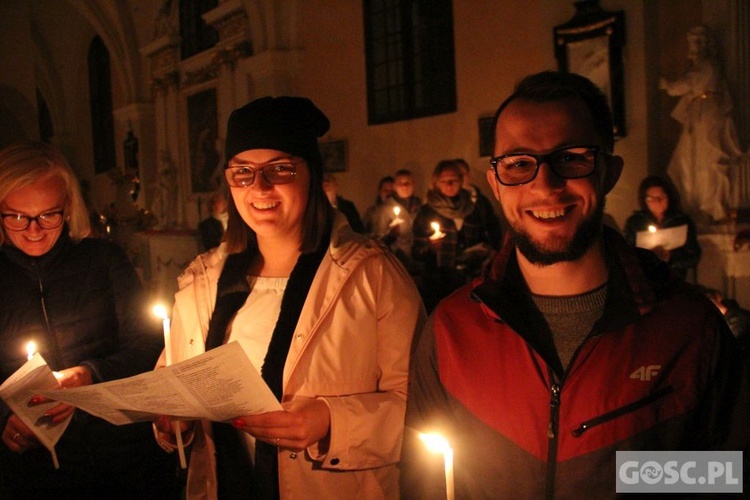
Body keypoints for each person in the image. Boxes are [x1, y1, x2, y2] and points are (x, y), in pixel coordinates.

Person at [401, 71, 748, 498]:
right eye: (518, 164)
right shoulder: (451, 331)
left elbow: (728, 474)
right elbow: (425, 485)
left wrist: (624, 477)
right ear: (494, 182)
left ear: (609, 172)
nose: (543, 185)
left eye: (571, 158)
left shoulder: (688, 331)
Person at [153, 96, 425, 499]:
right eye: (242, 172)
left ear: (311, 175)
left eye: (279, 169)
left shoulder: (371, 275)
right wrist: (170, 423)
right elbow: (174, 379)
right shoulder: (203, 280)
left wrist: (330, 421)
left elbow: (421, 407)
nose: (259, 188)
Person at [0, 141, 176, 498]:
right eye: (17, 216)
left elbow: (148, 346)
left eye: (48, 214)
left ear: (68, 208)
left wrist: (91, 374)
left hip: (126, 460)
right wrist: (4, 421)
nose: (34, 230)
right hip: (31, 476)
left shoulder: (104, 260)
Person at [660, 25, 744, 223]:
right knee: (690, 160)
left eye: (698, 42)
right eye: (692, 42)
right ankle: (696, 205)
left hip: (708, 114)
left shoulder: (708, 65)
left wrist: (668, 86)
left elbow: (688, 83)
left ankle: (711, 206)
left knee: (708, 159)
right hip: (698, 115)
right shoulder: (702, 68)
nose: (694, 47)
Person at [412, 160, 493, 312]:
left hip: (468, 283)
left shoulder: (472, 210)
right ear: (436, 183)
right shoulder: (426, 212)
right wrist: (430, 246)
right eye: (444, 181)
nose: (450, 184)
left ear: (461, 181)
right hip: (438, 285)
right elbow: (416, 252)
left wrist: (482, 252)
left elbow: (483, 240)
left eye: (454, 180)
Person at [623, 175, 701, 281]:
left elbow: (694, 256)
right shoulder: (635, 222)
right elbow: (626, 256)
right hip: (644, 281)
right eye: (650, 198)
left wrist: (670, 258)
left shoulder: (682, 221)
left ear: (669, 197)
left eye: (661, 197)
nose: (657, 202)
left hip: (675, 281)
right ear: (644, 200)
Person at [369, 169, 422, 277]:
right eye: (400, 183)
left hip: (420, 263)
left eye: (408, 183)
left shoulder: (420, 206)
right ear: (394, 186)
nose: (405, 186)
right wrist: (391, 235)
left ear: (413, 184)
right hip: (397, 266)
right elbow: (375, 240)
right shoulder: (385, 209)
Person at [455, 158, 502, 247]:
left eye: (462, 175)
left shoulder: (481, 202)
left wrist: (494, 249)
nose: (459, 179)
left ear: (468, 176)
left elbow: (493, 227)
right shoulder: (443, 203)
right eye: (455, 175)